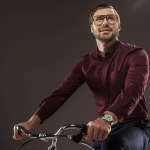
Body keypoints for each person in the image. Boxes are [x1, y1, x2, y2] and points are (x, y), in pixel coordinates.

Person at [13, 3, 150, 150]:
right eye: (99, 19)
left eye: (111, 18)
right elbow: (61, 93)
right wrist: (31, 123)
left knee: (114, 144)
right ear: (92, 28)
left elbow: (133, 90)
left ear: (118, 25)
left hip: (136, 127)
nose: (105, 22)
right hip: (102, 130)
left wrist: (107, 119)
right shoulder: (86, 63)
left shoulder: (136, 55)